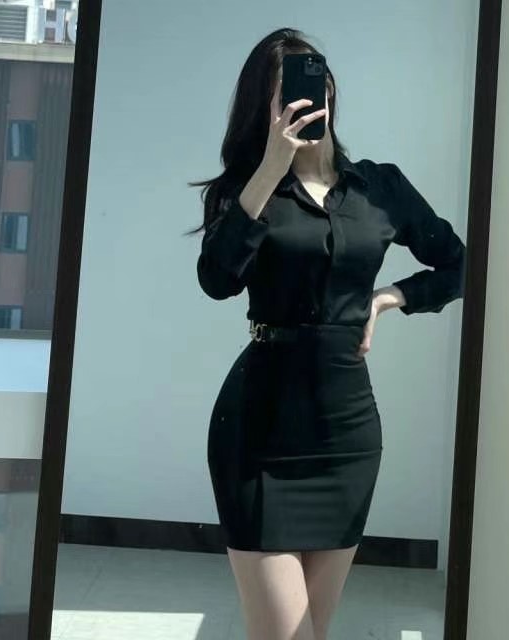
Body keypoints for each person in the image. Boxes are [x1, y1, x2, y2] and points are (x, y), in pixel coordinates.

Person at [187, 28, 465, 640]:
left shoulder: (381, 188)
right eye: (281, 91)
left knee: (312, 632)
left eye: (313, 80)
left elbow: (461, 264)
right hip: (258, 433)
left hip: (346, 434)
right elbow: (216, 280)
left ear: (330, 89)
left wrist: (389, 298)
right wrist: (271, 167)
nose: (303, 98)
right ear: (262, 106)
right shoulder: (244, 191)